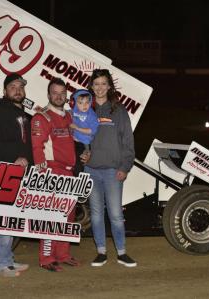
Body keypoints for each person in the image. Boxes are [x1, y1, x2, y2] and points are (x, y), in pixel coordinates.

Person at [85, 69, 137, 268]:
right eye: (96, 84)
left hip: (112, 171)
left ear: (109, 86)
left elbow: (128, 143)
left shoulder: (118, 110)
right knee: (96, 213)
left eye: (103, 84)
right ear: (91, 86)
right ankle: (101, 252)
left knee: (115, 213)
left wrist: (125, 166)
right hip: (90, 170)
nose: (99, 88)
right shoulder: (84, 109)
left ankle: (122, 252)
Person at [31, 77, 81, 272]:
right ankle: (46, 258)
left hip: (69, 173)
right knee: (51, 217)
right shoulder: (42, 117)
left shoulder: (69, 116)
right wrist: (43, 175)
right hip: (52, 172)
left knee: (68, 216)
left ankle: (63, 254)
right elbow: (37, 147)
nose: (59, 96)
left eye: (62, 93)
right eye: (55, 93)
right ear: (48, 94)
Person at [0, 73, 33, 277]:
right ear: (5, 91)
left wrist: (27, 159)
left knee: (13, 217)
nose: (17, 90)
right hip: (5, 169)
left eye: (20, 87)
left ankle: (9, 259)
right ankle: (1, 263)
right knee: (4, 218)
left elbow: (27, 143)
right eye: (12, 86)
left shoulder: (21, 114)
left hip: (20, 171)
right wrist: (15, 158)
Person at [69, 89, 99, 176]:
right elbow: (61, 113)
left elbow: (92, 131)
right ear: (74, 103)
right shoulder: (73, 111)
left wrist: (77, 128)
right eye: (80, 103)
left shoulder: (92, 115)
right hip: (72, 141)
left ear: (91, 103)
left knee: (78, 166)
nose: (84, 105)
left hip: (84, 144)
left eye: (87, 102)